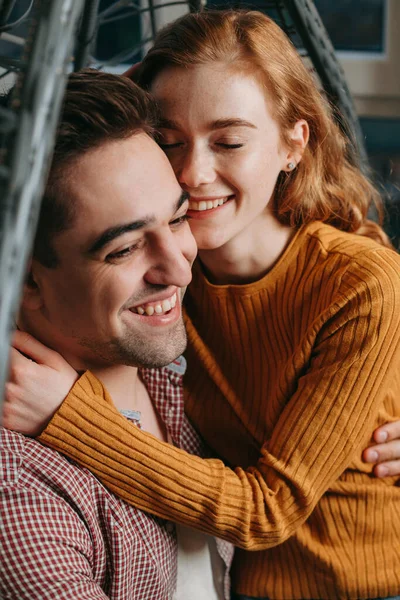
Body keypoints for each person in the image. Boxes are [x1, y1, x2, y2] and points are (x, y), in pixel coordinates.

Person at [3, 9, 400, 600]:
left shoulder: (353, 280)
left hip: (359, 584)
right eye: (169, 141)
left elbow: (265, 511)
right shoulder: (179, 282)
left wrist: (69, 414)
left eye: (230, 141)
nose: (193, 172)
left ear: (295, 142)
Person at [0, 69, 233, 600]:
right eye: (124, 249)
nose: (178, 270)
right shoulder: (16, 485)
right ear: (26, 277)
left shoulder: (192, 369)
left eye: (177, 220)